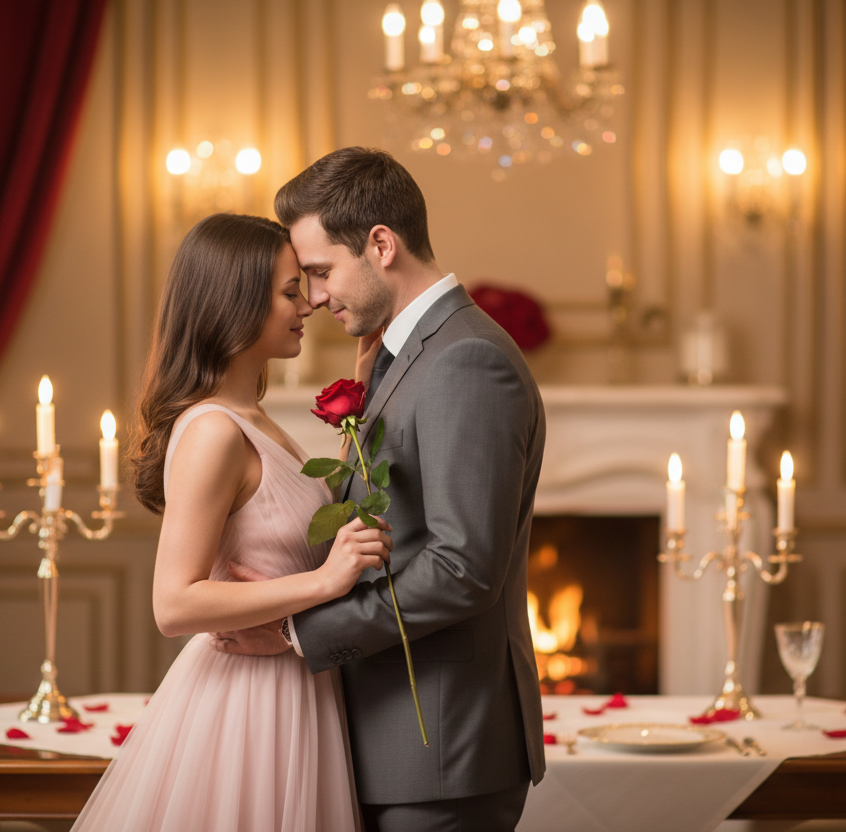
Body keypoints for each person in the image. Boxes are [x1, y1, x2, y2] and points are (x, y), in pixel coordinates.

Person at [215, 147, 547, 831]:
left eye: (321, 271)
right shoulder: (409, 353)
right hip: (399, 743)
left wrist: (298, 632)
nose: (313, 297)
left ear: (381, 245)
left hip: (440, 751)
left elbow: (463, 569)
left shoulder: (466, 359)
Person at [70, 213, 393, 832]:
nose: (309, 303)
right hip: (248, 705)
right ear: (236, 301)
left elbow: (284, 527)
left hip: (293, 686)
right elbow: (174, 604)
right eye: (289, 291)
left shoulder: (256, 419)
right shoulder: (214, 430)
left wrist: (366, 382)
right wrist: (326, 583)